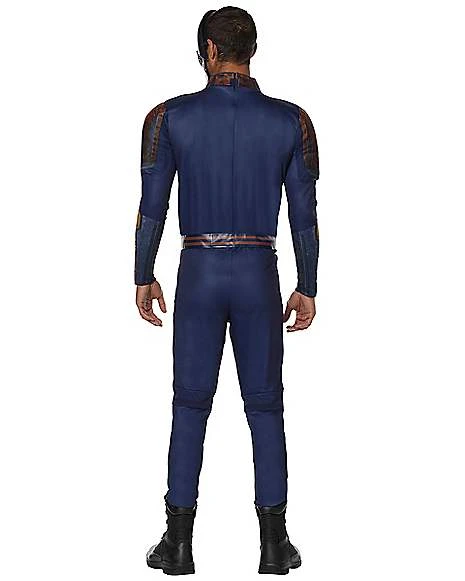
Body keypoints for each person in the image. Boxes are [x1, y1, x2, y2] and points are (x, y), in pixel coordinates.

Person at [134, 6, 319, 575]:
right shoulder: (293, 122)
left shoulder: (168, 118)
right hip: (260, 271)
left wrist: (143, 274)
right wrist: (308, 284)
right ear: (250, 51)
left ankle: (178, 545)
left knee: (190, 405)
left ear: (210, 51)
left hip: (199, 272)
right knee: (265, 407)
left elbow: (152, 208)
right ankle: (274, 546)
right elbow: (305, 216)